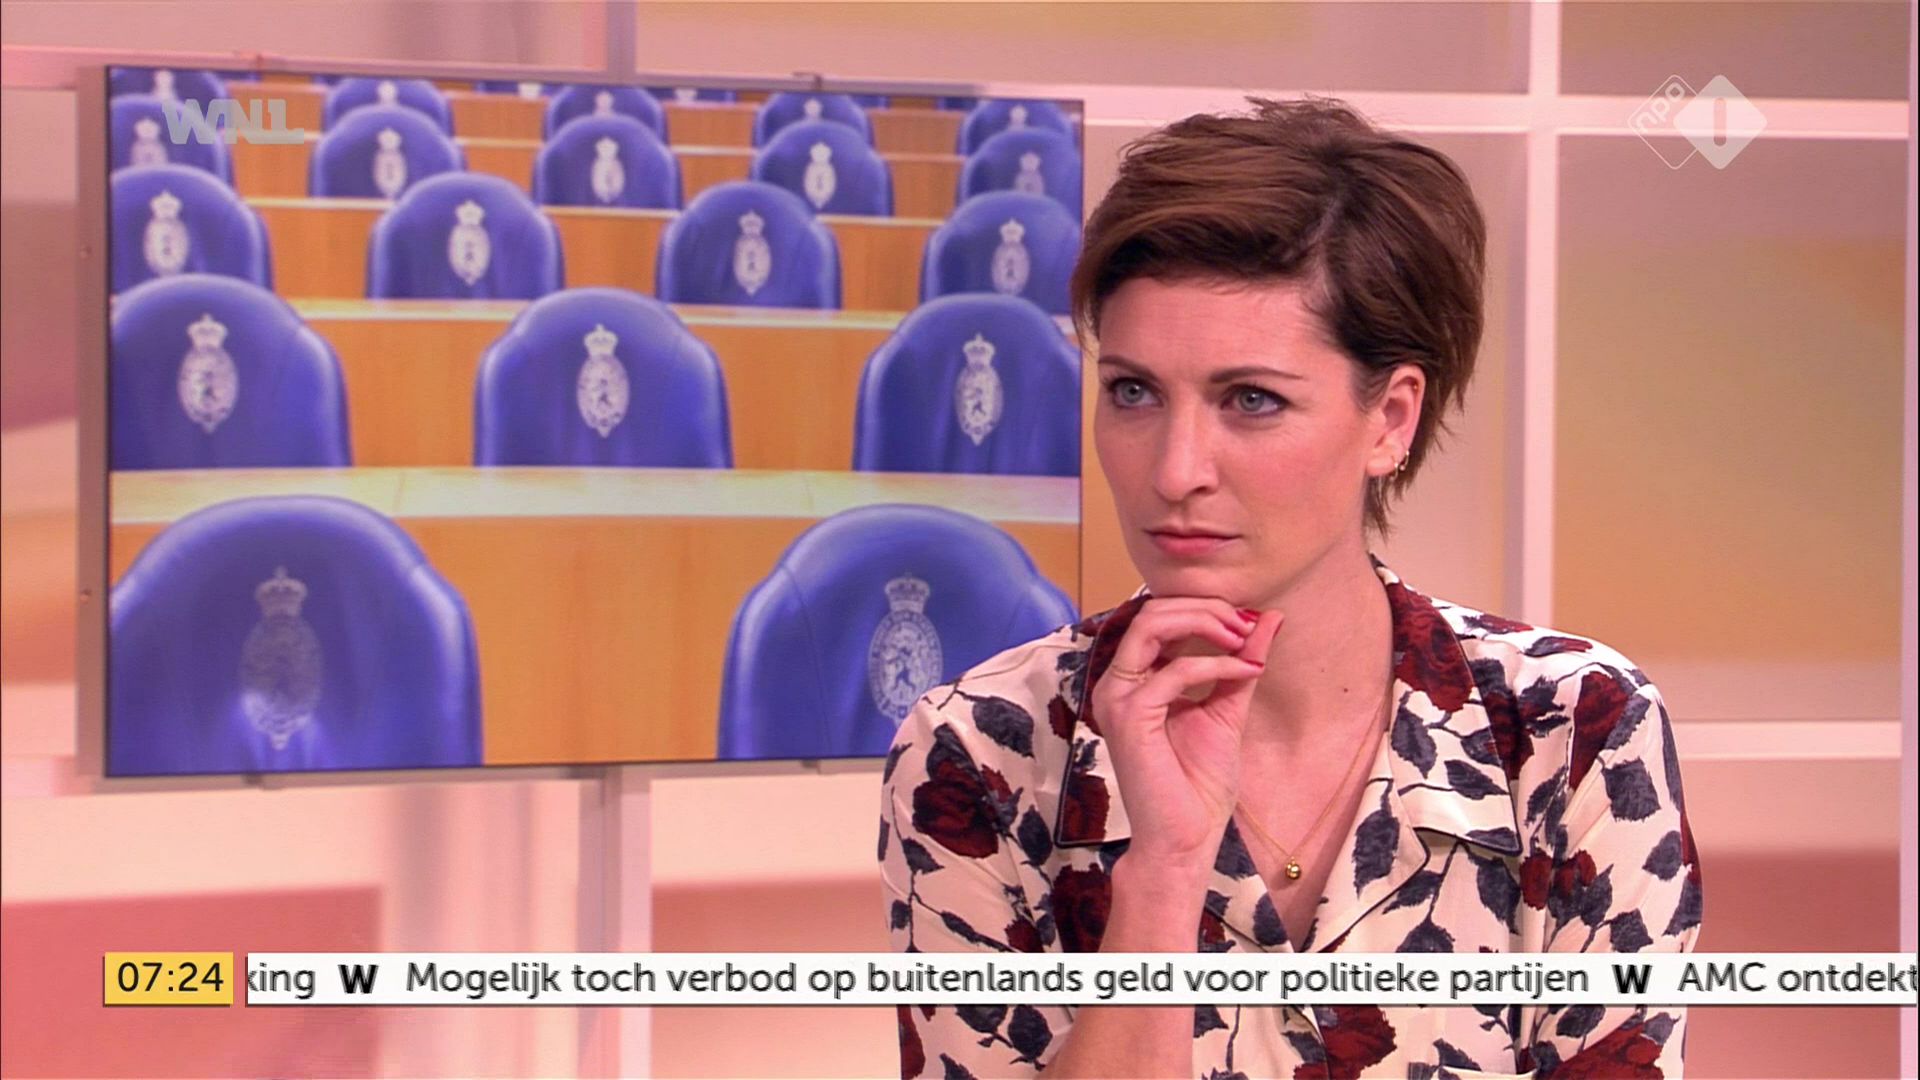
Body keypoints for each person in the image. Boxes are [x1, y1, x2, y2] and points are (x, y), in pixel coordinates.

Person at [878, 96, 1702, 1078]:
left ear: (1391, 419)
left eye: (1252, 400)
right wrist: (1163, 875)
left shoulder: (1570, 728)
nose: (1175, 469)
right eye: (1134, 391)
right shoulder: (980, 750)